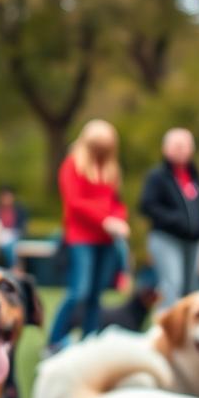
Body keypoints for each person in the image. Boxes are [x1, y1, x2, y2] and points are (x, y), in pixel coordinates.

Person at [47, 119, 129, 350]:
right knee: (79, 292)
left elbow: (116, 202)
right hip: (81, 238)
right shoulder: (72, 165)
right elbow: (75, 203)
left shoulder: (111, 169)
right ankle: (54, 340)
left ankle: (89, 339)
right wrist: (105, 220)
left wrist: (119, 219)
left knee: (96, 293)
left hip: (106, 240)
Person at [139, 128, 199, 310]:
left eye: (185, 145)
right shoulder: (157, 176)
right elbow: (147, 205)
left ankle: (187, 332)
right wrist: (176, 220)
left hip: (193, 240)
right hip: (166, 238)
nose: (181, 149)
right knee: (172, 283)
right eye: (177, 145)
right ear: (166, 148)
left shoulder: (193, 176)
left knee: (192, 288)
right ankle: (164, 330)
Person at [0, 186, 28, 270]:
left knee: (10, 246)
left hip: (14, 235)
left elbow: (23, 228)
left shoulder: (19, 211)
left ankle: (13, 268)